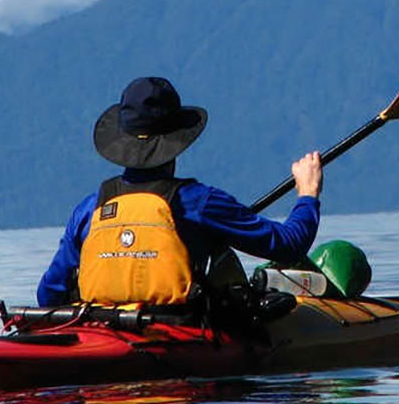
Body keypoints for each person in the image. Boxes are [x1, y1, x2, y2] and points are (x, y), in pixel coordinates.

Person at [37, 76, 322, 308]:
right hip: (180, 332)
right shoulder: (199, 202)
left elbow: (48, 295)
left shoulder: (90, 209)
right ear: (176, 142)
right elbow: (288, 245)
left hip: (102, 329)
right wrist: (307, 195)